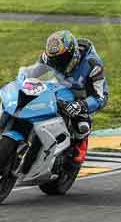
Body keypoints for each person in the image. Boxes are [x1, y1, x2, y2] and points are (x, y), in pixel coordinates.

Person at [39, 30, 108, 164]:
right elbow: (33, 74)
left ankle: (79, 145)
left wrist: (81, 105)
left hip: (82, 94)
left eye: (62, 59)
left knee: (82, 126)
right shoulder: (46, 58)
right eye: (55, 60)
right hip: (57, 87)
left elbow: (101, 97)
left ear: (74, 53)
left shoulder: (93, 64)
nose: (58, 63)